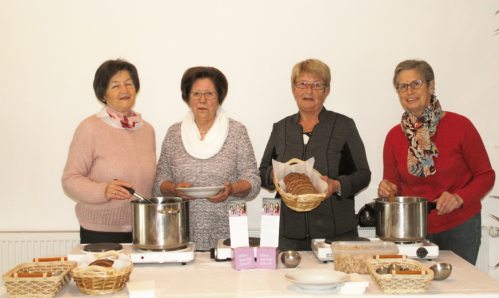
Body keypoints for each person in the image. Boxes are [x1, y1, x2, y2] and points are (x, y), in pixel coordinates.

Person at [377, 59, 495, 265]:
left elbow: (486, 175)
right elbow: (392, 183)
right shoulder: (394, 136)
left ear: (431, 86)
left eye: (416, 84)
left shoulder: (460, 126)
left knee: (458, 291)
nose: (409, 91)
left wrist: (459, 198)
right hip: (412, 231)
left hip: (460, 226)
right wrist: (387, 188)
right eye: (402, 86)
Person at [259, 58, 371, 251]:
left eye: (317, 85)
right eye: (302, 84)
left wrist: (336, 185)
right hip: (288, 235)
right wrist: (273, 176)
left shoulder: (343, 125)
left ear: (327, 91)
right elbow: (262, 172)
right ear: (294, 89)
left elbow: (363, 174)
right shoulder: (281, 128)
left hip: (336, 235)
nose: (309, 90)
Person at [153, 66, 260, 251]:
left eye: (209, 94)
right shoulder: (173, 133)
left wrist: (232, 189)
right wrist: (174, 189)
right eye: (196, 94)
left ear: (219, 97)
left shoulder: (237, 131)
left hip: (230, 232)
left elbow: (254, 181)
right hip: (181, 231)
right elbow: (158, 184)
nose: (202, 100)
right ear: (187, 98)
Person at [62, 59, 156, 244]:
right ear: (103, 94)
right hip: (100, 232)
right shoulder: (90, 127)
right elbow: (70, 179)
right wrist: (103, 190)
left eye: (129, 84)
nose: (124, 90)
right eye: (115, 85)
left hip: (144, 228)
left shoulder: (147, 130)